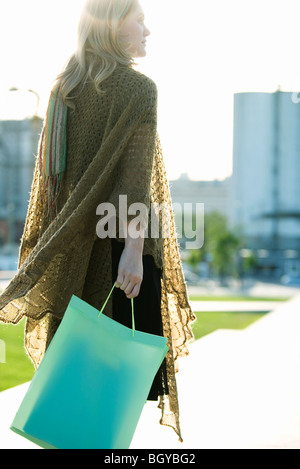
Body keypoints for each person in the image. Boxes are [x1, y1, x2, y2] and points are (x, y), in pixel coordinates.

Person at [0, 0, 195, 442]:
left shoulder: (63, 88)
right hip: (114, 250)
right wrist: (132, 253)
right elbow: (134, 182)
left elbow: (50, 184)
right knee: (111, 391)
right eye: (140, 20)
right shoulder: (139, 89)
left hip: (70, 254)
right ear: (112, 25)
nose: (148, 30)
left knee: (74, 378)